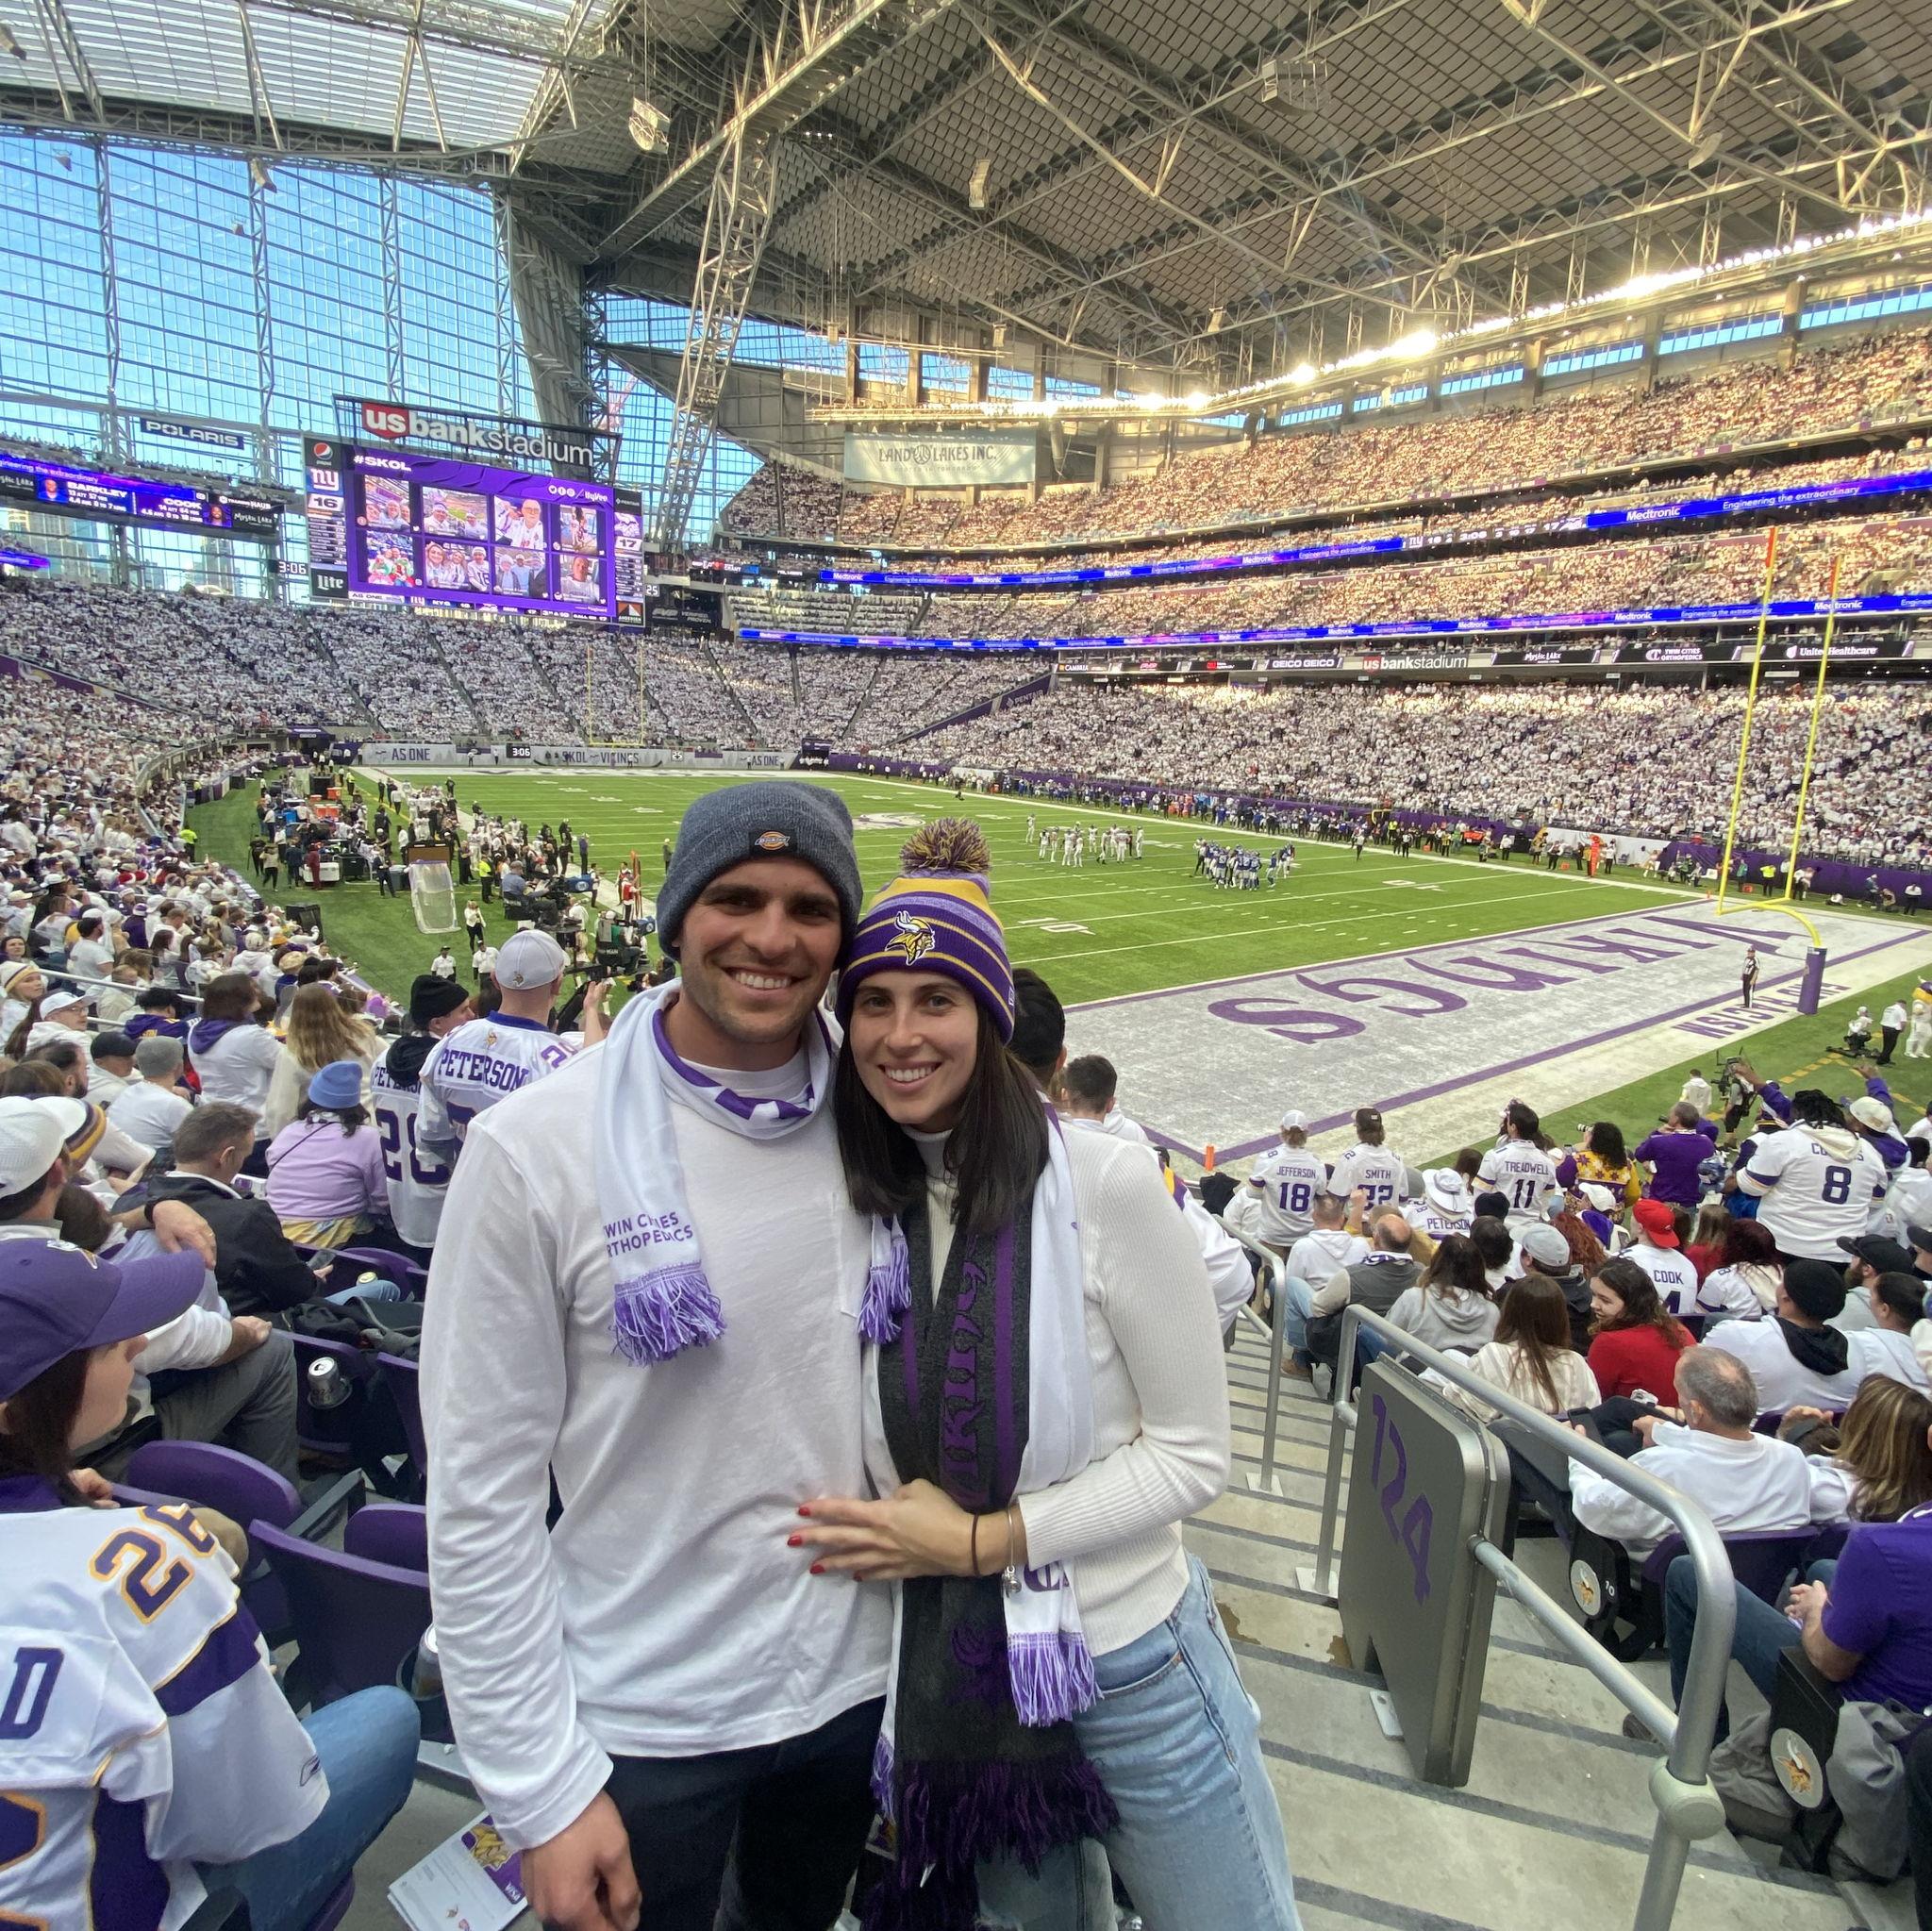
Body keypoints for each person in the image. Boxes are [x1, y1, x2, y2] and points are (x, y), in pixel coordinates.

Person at [797, 820, 1293, 1931]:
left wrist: (982, 1541)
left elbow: (1192, 1455)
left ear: (988, 1016)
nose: (900, 1033)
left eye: (936, 1000)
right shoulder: (861, 1195)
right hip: (963, 1677)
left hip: (1128, 1661)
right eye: (874, 1002)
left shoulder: (1104, 1182)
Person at [424, 782, 892, 1931]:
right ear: (676, 915)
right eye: (735, 897)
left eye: (809, 907)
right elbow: (479, 1490)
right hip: (639, 1712)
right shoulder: (534, 1146)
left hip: (854, 1686)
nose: (772, 936)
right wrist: (538, 1788)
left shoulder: (896, 1118)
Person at [0, 1239, 418, 1931]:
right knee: (387, 1718)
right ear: (15, 1412)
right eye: (105, 1345)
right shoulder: (149, 1565)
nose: (137, 1342)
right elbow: (248, 1817)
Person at [1569, 1346, 1838, 1555]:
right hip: (1763, 1583)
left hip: (1658, 1582)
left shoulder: (1662, 1468)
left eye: (1679, 1394)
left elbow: (1591, 1508)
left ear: (1696, 1411)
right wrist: (1664, 1432)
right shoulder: (1791, 1459)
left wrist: (1579, 1452)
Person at [370, 974, 472, 1258]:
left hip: (401, 1200)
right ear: (437, 1023)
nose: (471, 1016)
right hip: (446, 1206)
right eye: (463, 1011)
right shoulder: (449, 1068)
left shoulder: (381, 1062)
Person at [1701, 1257, 1880, 1414]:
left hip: (1756, 1438)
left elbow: (1692, 1372)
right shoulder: (1861, 1352)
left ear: (1785, 1295)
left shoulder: (1739, 1335)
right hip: (1824, 1437)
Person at [1736, 1089, 1890, 1263]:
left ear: (1798, 1114)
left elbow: (1752, 1186)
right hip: (1842, 1252)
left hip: (1784, 1244)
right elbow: (1875, 1203)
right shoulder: (1870, 1152)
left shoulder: (1786, 1141)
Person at [263, 1062, 391, 1249]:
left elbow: (272, 1166)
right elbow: (382, 1199)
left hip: (273, 1231)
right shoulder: (369, 1138)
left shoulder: (289, 1131)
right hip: (329, 1240)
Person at [1463, 1273, 1601, 1416]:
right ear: (1560, 1317)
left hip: (1506, 1431)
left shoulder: (1493, 1354)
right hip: (1563, 1431)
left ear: (1509, 1312)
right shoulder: (1576, 1362)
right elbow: (1592, 1415)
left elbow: (1460, 1401)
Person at [186, 973, 285, 1162]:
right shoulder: (250, 1036)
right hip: (253, 1126)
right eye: (252, 989)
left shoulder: (195, 1030)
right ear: (239, 999)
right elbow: (289, 1061)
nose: (258, 992)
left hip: (213, 1120)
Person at [261, 980, 381, 1138]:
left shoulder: (294, 1054)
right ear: (333, 1005)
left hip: (329, 1137)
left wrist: (283, 1145)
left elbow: (280, 1111)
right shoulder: (363, 1034)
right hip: (369, 1127)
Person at [1586, 1257, 1695, 1405]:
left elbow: (1593, 1400)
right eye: (1593, 1294)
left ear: (1632, 1304)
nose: (1593, 1304)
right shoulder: (1678, 1329)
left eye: (1605, 1300)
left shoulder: (1609, 1343)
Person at [1385, 1233, 1500, 1354]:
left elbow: (1386, 1339)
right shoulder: (1492, 1312)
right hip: (1460, 1366)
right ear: (1478, 1268)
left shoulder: (1414, 1298)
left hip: (1412, 1365)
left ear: (1438, 1261)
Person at [1246, 1108, 1327, 1256]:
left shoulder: (1268, 1159)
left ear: (1282, 1130)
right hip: (1303, 1234)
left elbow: (1252, 1193)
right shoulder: (1316, 1164)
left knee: (1270, 1269)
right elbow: (1321, 1196)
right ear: (1306, 1133)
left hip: (1273, 1233)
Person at [1478, 1101, 1561, 1230]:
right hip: (1531, 1228)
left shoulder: (1495, 1156)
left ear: (1513, 1127)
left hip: (1501, 1228)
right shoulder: (1547, 1162)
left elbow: (1480, 1196)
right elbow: (1545, 1201)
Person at [1695, 1217, 1782, 1322]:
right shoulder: (1782, 1275)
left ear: (1731, 1245)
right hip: (1775, 1331)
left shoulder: (1720, 1278)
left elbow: (1701, 1320)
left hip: (1732, 1331)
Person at [1624, 1198, 1699, 1312]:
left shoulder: (1625, 1259)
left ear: (1640, 1228)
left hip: (1641, 1323)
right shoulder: (1688, 1265)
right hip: (1678, 1323)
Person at [1326, 1106, 1407, 1209]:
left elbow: (1336, 1198)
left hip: (1358, 1219)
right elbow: (1403, 1198)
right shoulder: (1396, 1160)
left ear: (1358, 1129)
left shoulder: (1350, 1159)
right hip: (1388, 1218)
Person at [1635, 1103, 1710, 1209]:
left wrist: (1658, 1132)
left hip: (1660, 1204)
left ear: (1676, 1119)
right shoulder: (1707, 1143)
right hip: (1690, 1206)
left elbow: (1639, 1154)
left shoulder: (1659, 1142)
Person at [1880, 997, 1910, 1066]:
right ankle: (1881, 1061)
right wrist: (1902, 1029)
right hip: (1893, 1029)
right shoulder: (1901, 1010)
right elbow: (1903, 1022)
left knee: (1886, 1044)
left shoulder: (1888, 1008)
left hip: (1885, 1027)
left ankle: (1886, 1059)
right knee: (1890, 1046)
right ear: (1903, 1004)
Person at [1740, 945, 1759, 1009]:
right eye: (1748, 952)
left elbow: (1757, 970)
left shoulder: (1755, 960)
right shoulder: (1747, 958)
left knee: (1749, 991)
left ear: (1753, 953)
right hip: (1745, 976)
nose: (1749, 953)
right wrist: (1742, 975)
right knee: (1745, 990)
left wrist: (1753, 979)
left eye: (1750, 952)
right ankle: (1746, 1003)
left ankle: (1749, 1005)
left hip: (1750, 977)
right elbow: (1744, 967)